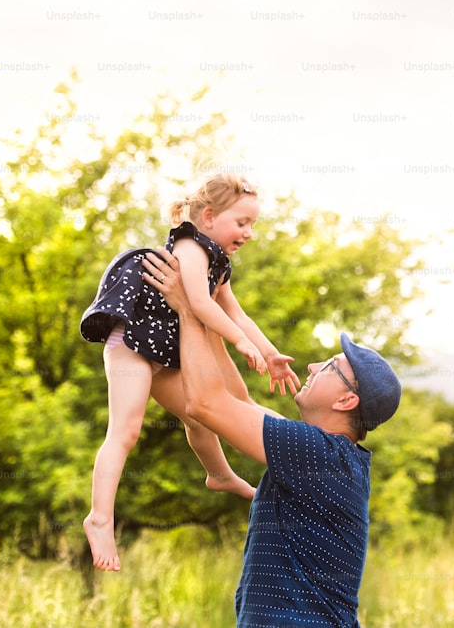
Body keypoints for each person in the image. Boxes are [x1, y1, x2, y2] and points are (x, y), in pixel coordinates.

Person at [141, 246, 402, 627]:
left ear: (347, 399)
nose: (314, 364)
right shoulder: (324, 454)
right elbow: (235, 402)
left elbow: (206, 404)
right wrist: (211, 307)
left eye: (330, 366)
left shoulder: (318, 455)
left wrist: (188, 310)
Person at [79, 173, 301, 572]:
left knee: (201, 412)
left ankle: (218, 474)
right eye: (242, 223)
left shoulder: (217, 260)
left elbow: (236, 311)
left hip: (165, 348)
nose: (248, 233)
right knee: (126, 430)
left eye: (252, 224)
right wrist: (238, 342)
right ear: (210, 216)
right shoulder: (190, 246)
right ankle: (99, 518)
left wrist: (268, 353)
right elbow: (199, 303)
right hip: (132, 342)